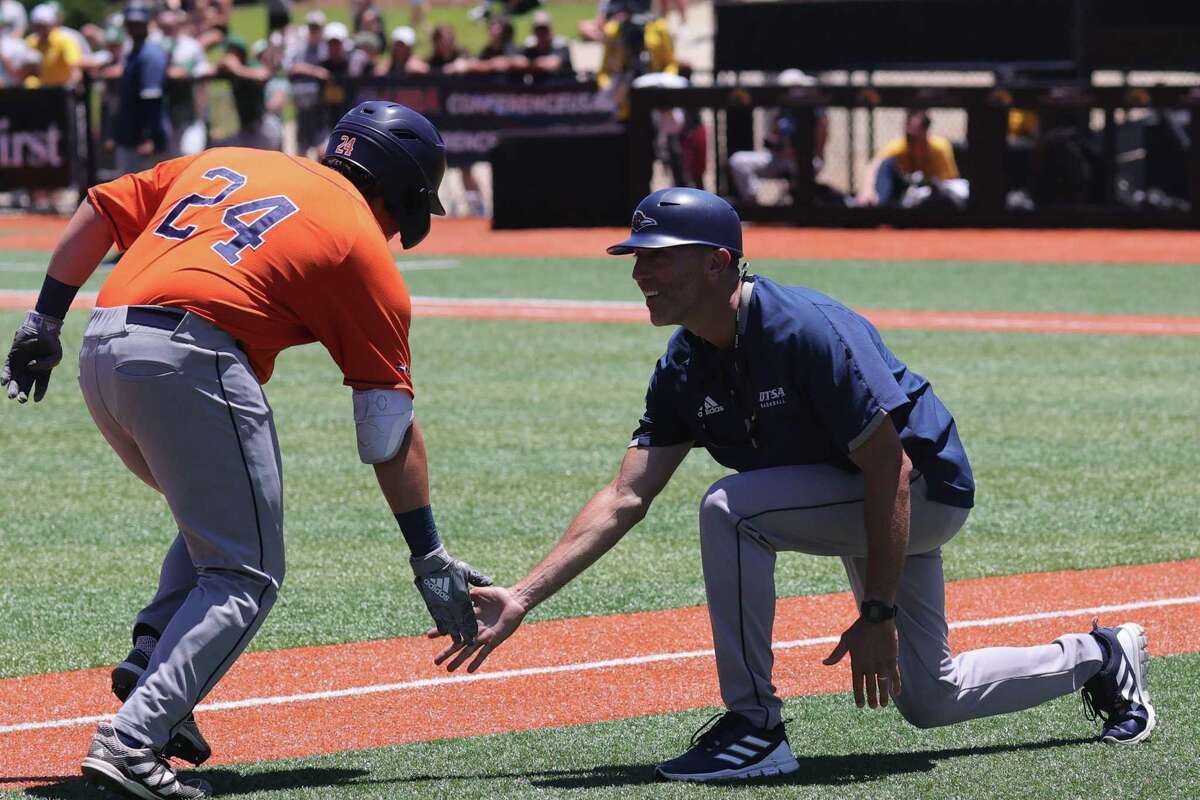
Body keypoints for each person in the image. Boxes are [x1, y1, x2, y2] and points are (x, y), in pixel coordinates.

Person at [432, 188, 1159, 782]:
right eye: (635, 257)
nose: (639, 274)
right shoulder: (684, 364)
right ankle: (1103, 655)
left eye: (658, 257)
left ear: (719, 264)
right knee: (931, 698)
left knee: (730, 509)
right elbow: (627, 494)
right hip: (856, 498)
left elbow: (893, 469)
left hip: (920, 492)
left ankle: (754, 725)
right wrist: (523, 595)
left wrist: (875, 613)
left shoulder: (805, 330)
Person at [0, 101, 491, 798]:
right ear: (397, 188)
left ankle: (152, 659)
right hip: (189, 358)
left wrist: (43, 318)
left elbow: (99, 211)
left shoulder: (231, 159)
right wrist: (428, 555)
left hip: (102, 345)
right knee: (246, 572)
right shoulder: (357, 239)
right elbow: (386, 430)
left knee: (217, 525)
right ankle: (133, 741)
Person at [858, 108, 961, 207]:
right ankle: (878, 210)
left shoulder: (940, 148)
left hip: (929, 196)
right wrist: (868, 190)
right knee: (886, 164)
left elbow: (949, 182)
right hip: (904, 191)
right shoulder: (900, 147)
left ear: (925, 132)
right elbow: (874, 165)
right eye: (908, 134)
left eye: (914, 136)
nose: (910, 139)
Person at [110, 4, 169, 175]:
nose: (134, 28)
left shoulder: (150, 54)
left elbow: (152, 100)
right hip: (129, 135)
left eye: (138, 23)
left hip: (142, 139)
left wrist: (148, 138)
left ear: (147, 24)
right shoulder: (132, 53)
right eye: (131, 24)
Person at [24, 2, 81, 87]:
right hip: (41, 90)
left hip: (61, 89)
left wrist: (71, 87)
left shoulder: (64, 40)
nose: (41, 30)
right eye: (37, 26)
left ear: (52, 24)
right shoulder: (30, 42)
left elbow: (75, 69)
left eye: (44, 26)